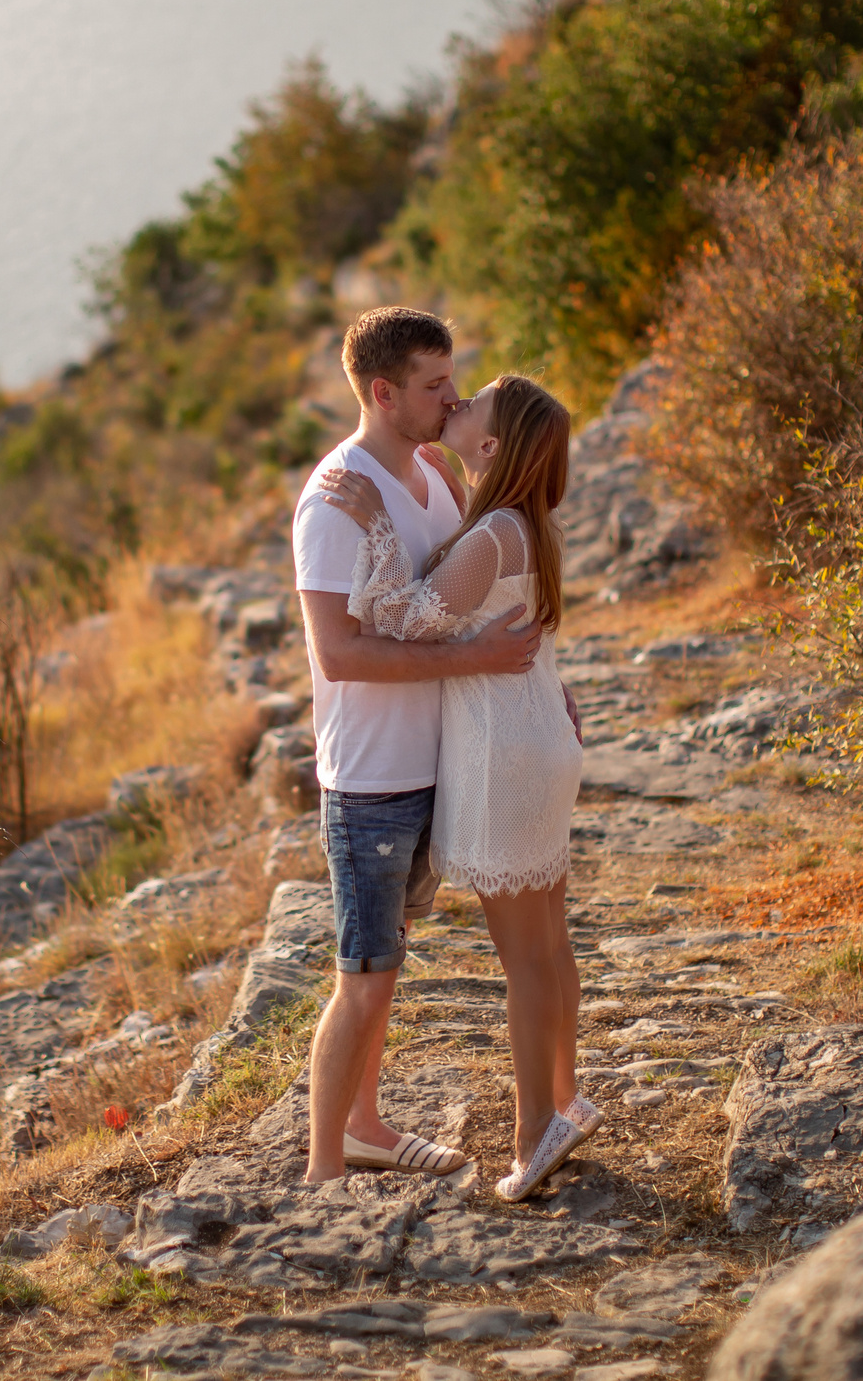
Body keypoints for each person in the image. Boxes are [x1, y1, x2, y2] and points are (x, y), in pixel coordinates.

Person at [315, 373, 597, 1201]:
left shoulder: (492, 536)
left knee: (524, 961)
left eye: (469, 405)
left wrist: (369, 521)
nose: (455, 402)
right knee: (550, 941)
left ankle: (531, 1135)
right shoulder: (529, 526)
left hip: (508, 752)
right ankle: (566, 1099)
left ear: (490, 446)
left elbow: (402, 619)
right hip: (541, 738)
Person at [293, 308, 542, 1185]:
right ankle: (324, 1174)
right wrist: (474, 657)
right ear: (383, 392)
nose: (455, 396)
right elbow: (340, 653)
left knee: (387, 966)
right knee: (360, 975)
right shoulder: (336, 496)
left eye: (454, 379)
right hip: (369, 780)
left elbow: (463, 592)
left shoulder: (432, 476)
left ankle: (365, 1126)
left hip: (429, 767)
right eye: (435, 385)